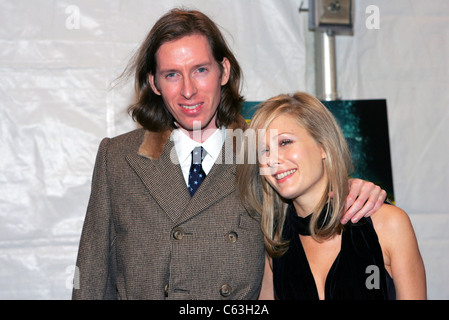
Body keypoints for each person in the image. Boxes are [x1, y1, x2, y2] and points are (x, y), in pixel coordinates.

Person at [72, 9, 387, 300]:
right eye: (171, 75)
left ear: (223, 71)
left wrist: (353, 188)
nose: (188, 90)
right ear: (154, 83)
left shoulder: (260, 150)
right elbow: (91, 278)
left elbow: (311, 200)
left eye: (200, 70)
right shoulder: (119, 157)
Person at [237, 92, 426, 300]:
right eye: (263, 151)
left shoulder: (389, 224)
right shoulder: (274, 244)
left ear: (323, 146)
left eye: (285, 142)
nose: (272, 160)